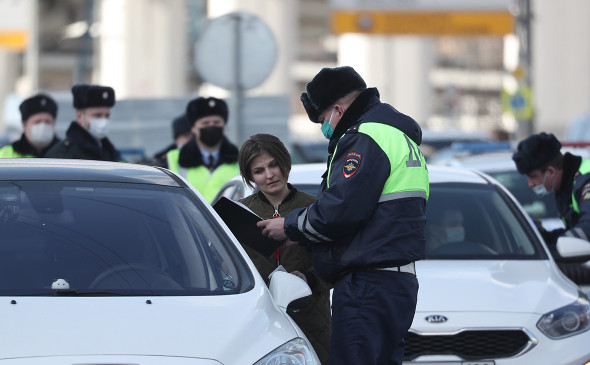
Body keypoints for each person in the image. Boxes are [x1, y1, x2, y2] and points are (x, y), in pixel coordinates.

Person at [257, 66, 429, 365]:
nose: (325, 128)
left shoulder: (365, 136)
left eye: (324, 120)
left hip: (367, 286)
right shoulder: (399, 137)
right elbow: (373, 215)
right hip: (396, 284)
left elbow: (340, 210)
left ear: (338, 109)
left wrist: (290, 226)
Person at [237, 133, 332, 364]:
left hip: (313, 323)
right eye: (259, 171)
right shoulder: (237, 214)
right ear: (250, 177)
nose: (269, 175)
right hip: (258, 324)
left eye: (273, 164)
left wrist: (308, 279)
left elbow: (336, 263)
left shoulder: (316, 208)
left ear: (285, 162)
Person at [512, 132, 590, 284]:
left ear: (551, 172)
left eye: (533, 176)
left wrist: (544, 251)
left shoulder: (585, 181)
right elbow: (573, 231)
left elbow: (587, 231)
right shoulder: (565, 185)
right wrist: (543, 237)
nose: (530, 184)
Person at [167, 96, 239, 203]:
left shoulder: (242, 157)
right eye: (205, 123)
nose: (211, 126)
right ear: (193, 128)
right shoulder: (173, 159)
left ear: (224, 125)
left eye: (216, 122)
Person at [45, 84, 122, 161]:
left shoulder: (110, 151)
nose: (104, 120)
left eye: (107, 116)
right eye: (97, 115)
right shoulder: (62, 155)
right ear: (79, 116)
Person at [0, 93, 60, 158]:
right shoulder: (4, 155)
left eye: (47, 122)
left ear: (54, 124)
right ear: (24, 125)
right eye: (37, 122)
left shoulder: (66, 153)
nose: (43, 126)